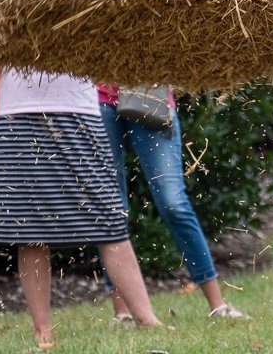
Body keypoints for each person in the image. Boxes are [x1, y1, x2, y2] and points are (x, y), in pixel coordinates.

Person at [0, 69, 162, 348]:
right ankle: (42, 330)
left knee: (109, 221)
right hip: (16, 112)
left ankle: (147, 318)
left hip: (80, 109)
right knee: (28, 229)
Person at [97, 84, 250, 319]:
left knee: (174, 203)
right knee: (112, 208)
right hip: (99, 98)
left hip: (149, 91)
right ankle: (123, 314)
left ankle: (218, 306)